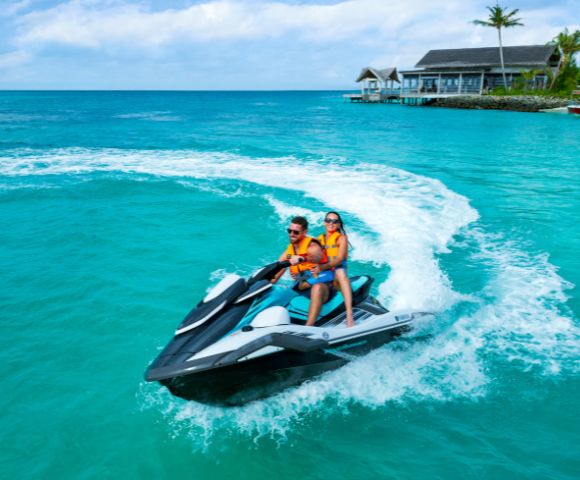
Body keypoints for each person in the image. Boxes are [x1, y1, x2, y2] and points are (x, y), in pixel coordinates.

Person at [272, 216, 334, 327]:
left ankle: (308, 327)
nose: (291, 234)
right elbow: (275, 275)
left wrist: (302, 258)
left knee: (317, 288)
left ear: (304, 232)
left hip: (323, 287)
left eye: (296, 232)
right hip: (301, 287)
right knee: (278, 292)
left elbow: (317, 256)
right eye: (289, 231)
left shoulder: (312, 245)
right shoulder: (289, 251)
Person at [315, 211, 354, 327]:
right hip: (326, 275)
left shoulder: (341, 239)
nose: (331, 223)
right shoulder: (319, 239)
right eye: (328, 220)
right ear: (324, 223)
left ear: (338, 225)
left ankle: (349, 314)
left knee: (340, 272)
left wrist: (321, 267)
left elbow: (339, 259)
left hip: (337, 275)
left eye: (334, 221)